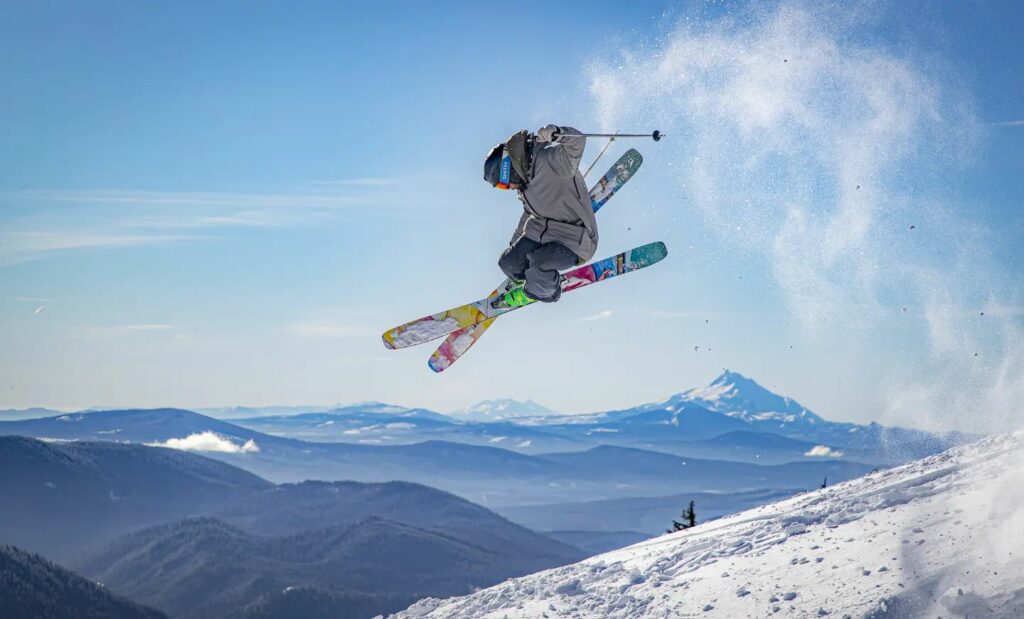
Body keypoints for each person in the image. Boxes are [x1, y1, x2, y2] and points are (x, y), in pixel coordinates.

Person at [483, 125, 597, 306]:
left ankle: (548, 290)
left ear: (508, 168)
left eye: (504, 184)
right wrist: (515, 245)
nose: (509, 188)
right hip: (543, 233)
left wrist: (559, 133)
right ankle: (533, 279)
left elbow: (578, 141)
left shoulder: (550, 160)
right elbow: (528, 214)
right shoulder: (524, 183)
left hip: (574, 239)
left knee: (539, 263)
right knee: (508, 264)